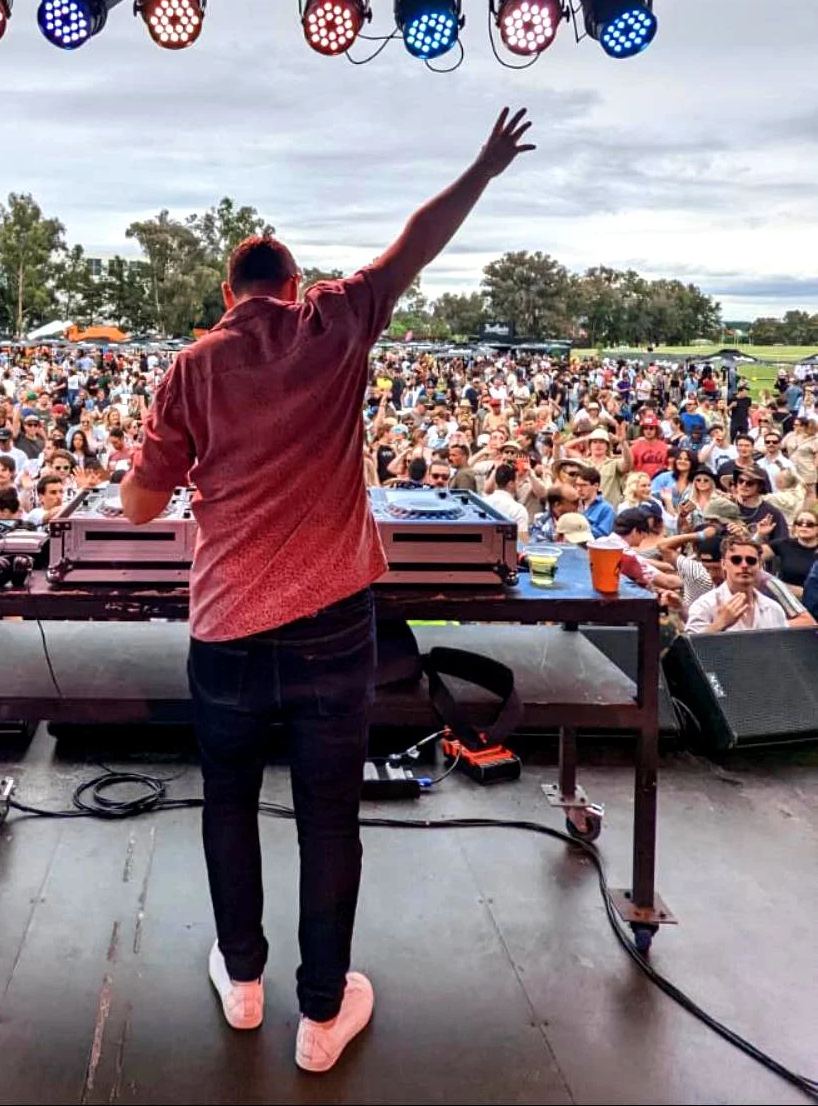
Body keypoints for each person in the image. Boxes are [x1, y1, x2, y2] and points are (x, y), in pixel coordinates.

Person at [118, 107, 536, 1072]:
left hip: (224, 631)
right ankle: (319, 1016)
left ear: (226, 293)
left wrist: (167, 470)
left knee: (227, 802)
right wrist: (481, 166)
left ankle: (243, 982)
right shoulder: (338, 322)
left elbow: (140, 508)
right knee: (328, 815)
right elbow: (413, 247)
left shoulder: (190, 368)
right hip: (333, 628)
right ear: (294, 286)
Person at [686, 534, 788, 634]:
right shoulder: (704, 606)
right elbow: (690, 648)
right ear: (724, 564)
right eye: (736, 560)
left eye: (751, 560)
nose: (744, 565)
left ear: (760, 565)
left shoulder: (774, 609)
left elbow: (783, 647)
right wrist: (719, 624)